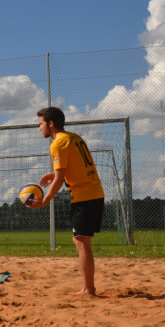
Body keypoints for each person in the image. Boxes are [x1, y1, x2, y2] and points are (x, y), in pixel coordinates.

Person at [28, 107, 106, 296]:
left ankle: (89, 288)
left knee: (81, 241)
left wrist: (45, 201)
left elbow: (61, 178)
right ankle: (89, 287)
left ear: (51, 123)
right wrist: (54, 174)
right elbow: (69, 168)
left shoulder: (57, 143)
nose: (39, 128)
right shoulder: (74, 137)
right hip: (95, 192)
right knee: (81, 240)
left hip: (84, 196)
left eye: (41, 124)